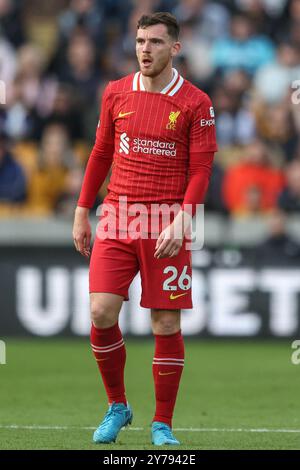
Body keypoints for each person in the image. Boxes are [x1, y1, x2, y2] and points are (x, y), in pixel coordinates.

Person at [73, 12, 217, 446]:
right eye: (139, 41)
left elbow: (201, 169)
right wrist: (83, 210)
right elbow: (100, 153)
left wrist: (184, 216)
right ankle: (117, 405)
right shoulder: (116, 92)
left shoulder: (196, 102)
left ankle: (162, 424)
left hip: (166, 221)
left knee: (165, 323)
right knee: (100, 312)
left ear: (175, 47)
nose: (145, 50)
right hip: (117, 214)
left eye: (155, 42)